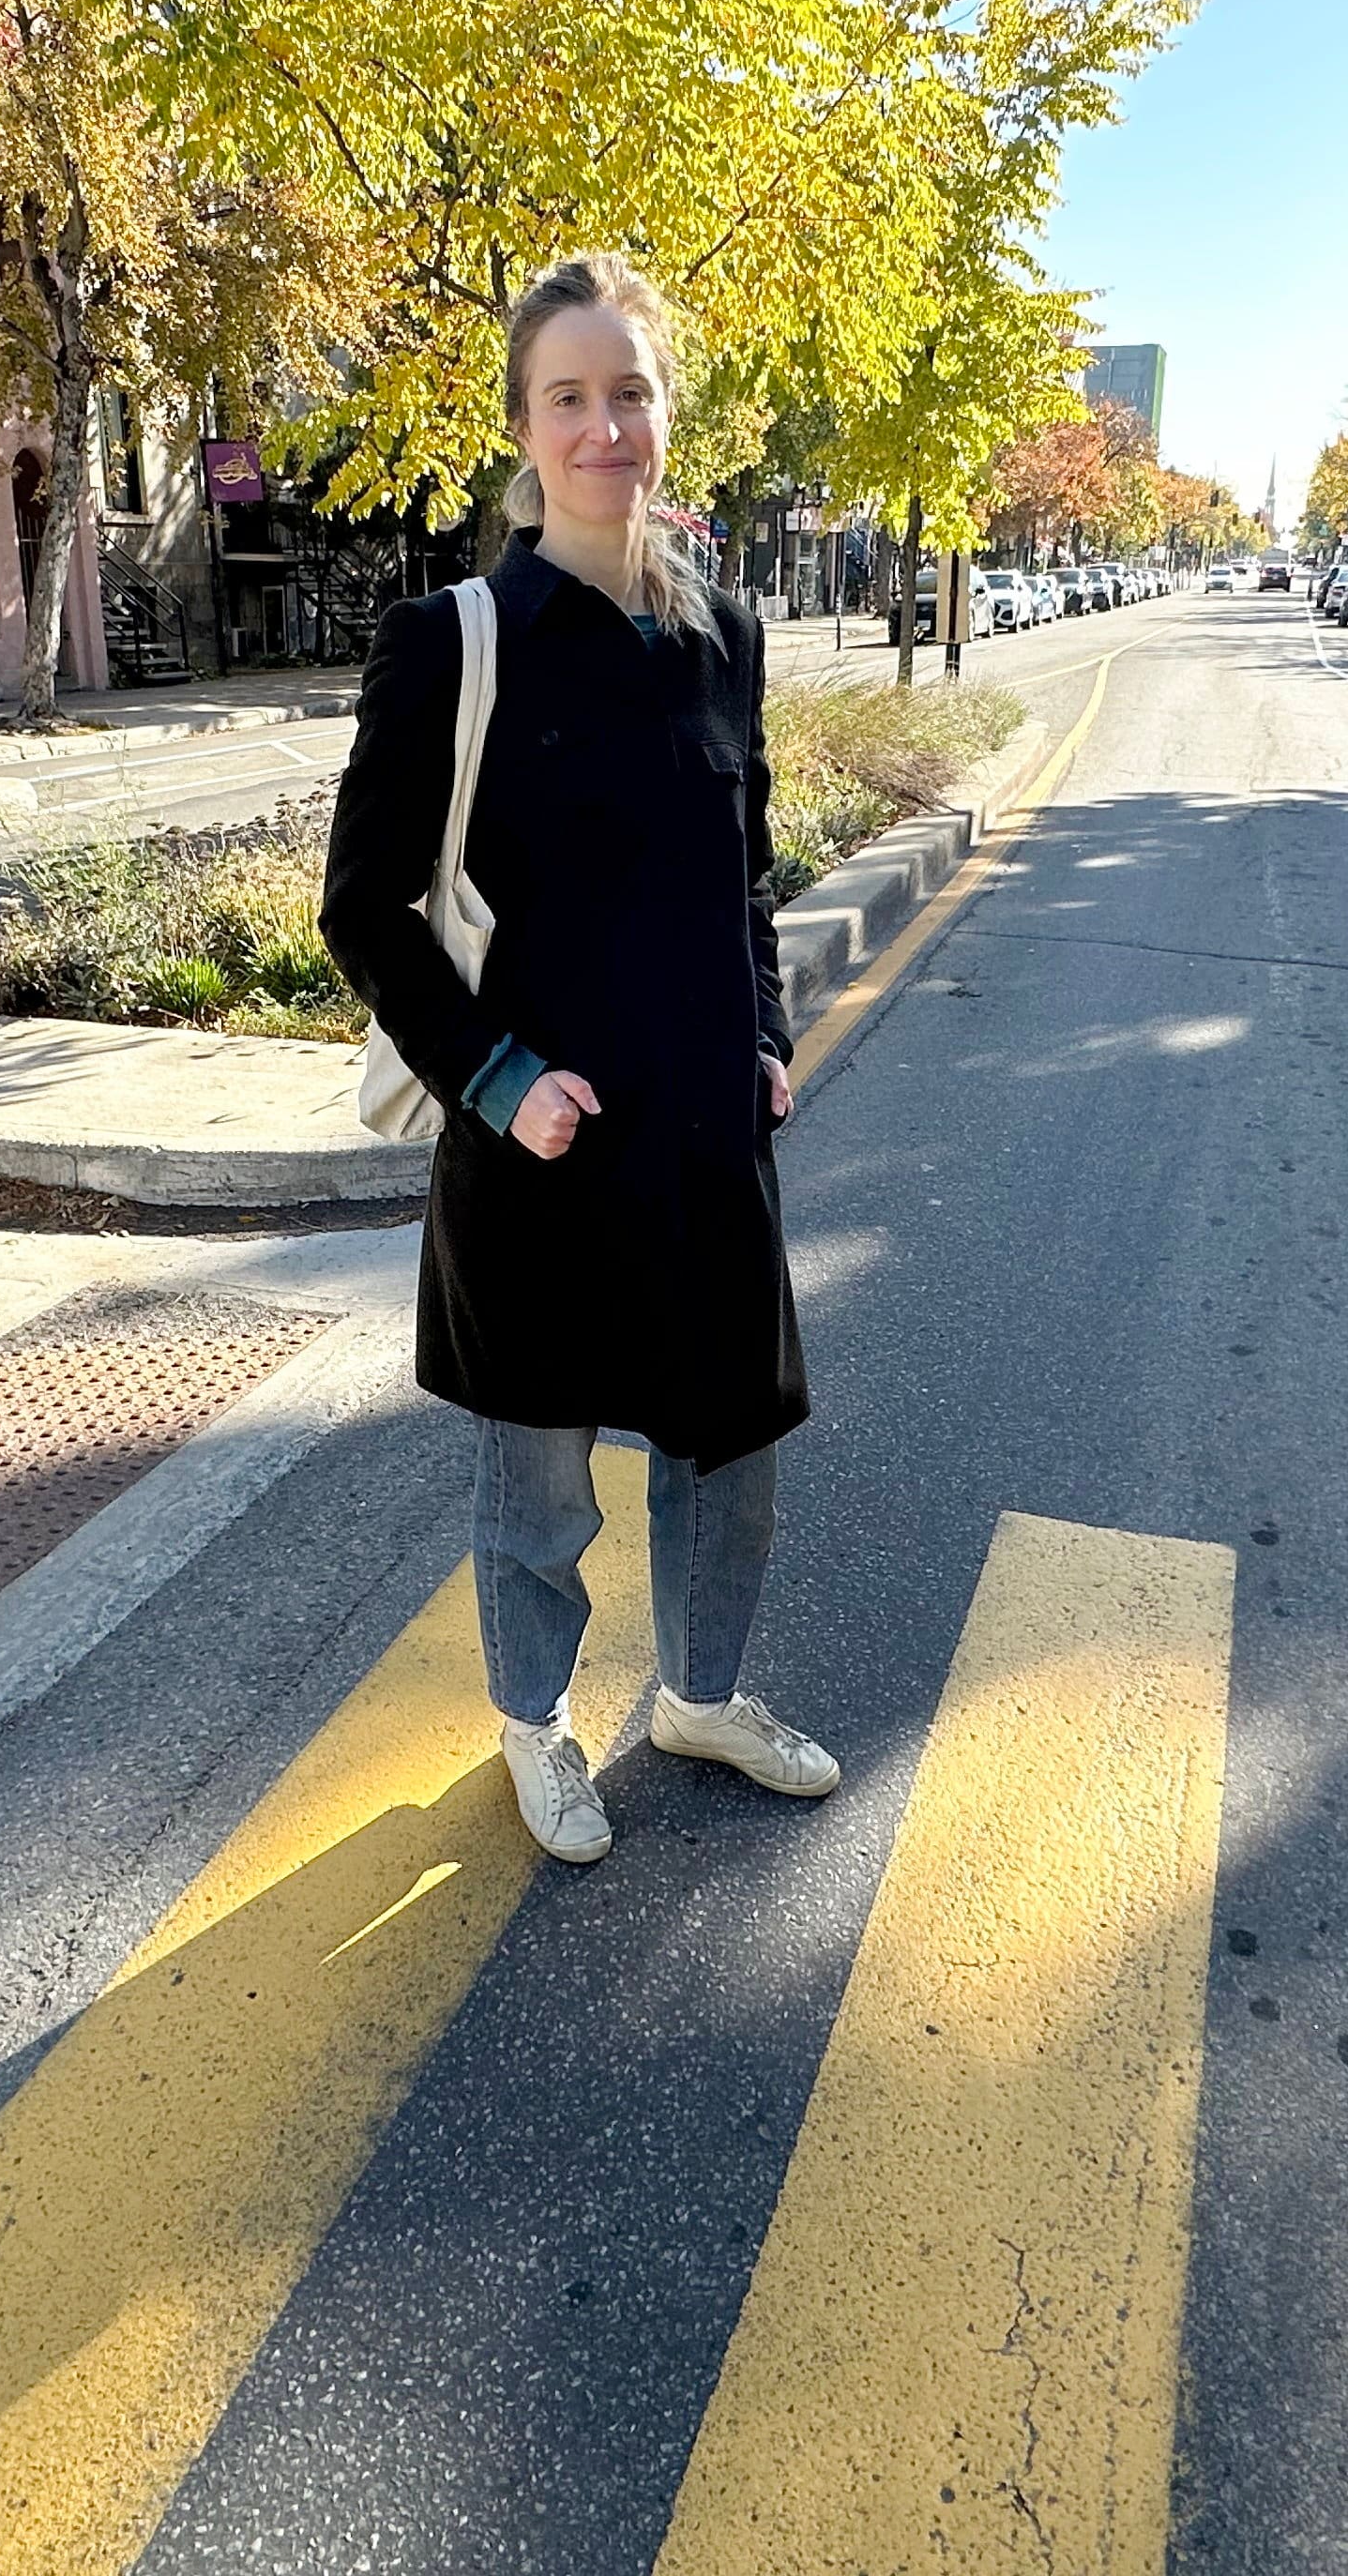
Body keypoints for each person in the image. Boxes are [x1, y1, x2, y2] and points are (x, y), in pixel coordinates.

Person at [321, 250, 833, 1866]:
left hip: (700, 1142)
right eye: (569, 398)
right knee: (540, 1491)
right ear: (526, 429)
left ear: (666, 412)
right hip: (539, 1149)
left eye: (630, 391)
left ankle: (697, 1694)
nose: (604, 425)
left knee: (725, 1458)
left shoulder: (725, 640)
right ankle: (534, 1730)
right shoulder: (455, 642)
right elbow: (366, 911)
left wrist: (762, 1033)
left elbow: (743, 874)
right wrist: (496, 1080)